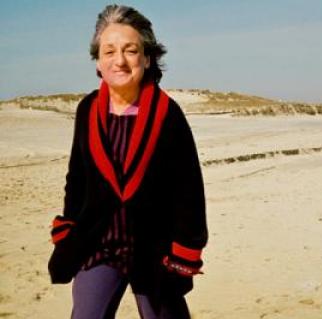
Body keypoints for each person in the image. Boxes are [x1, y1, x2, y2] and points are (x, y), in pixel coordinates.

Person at [47, 5, 208, 318]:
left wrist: (185, 252)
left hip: (155, 250)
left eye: (130, 50)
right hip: (99, 243)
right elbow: (77, 178)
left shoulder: (168, 114)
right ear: (98, 61)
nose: (119, 60)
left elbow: (189, 191)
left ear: (147, 58)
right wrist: (69, 229)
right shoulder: (87, 110)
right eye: (109, 51)